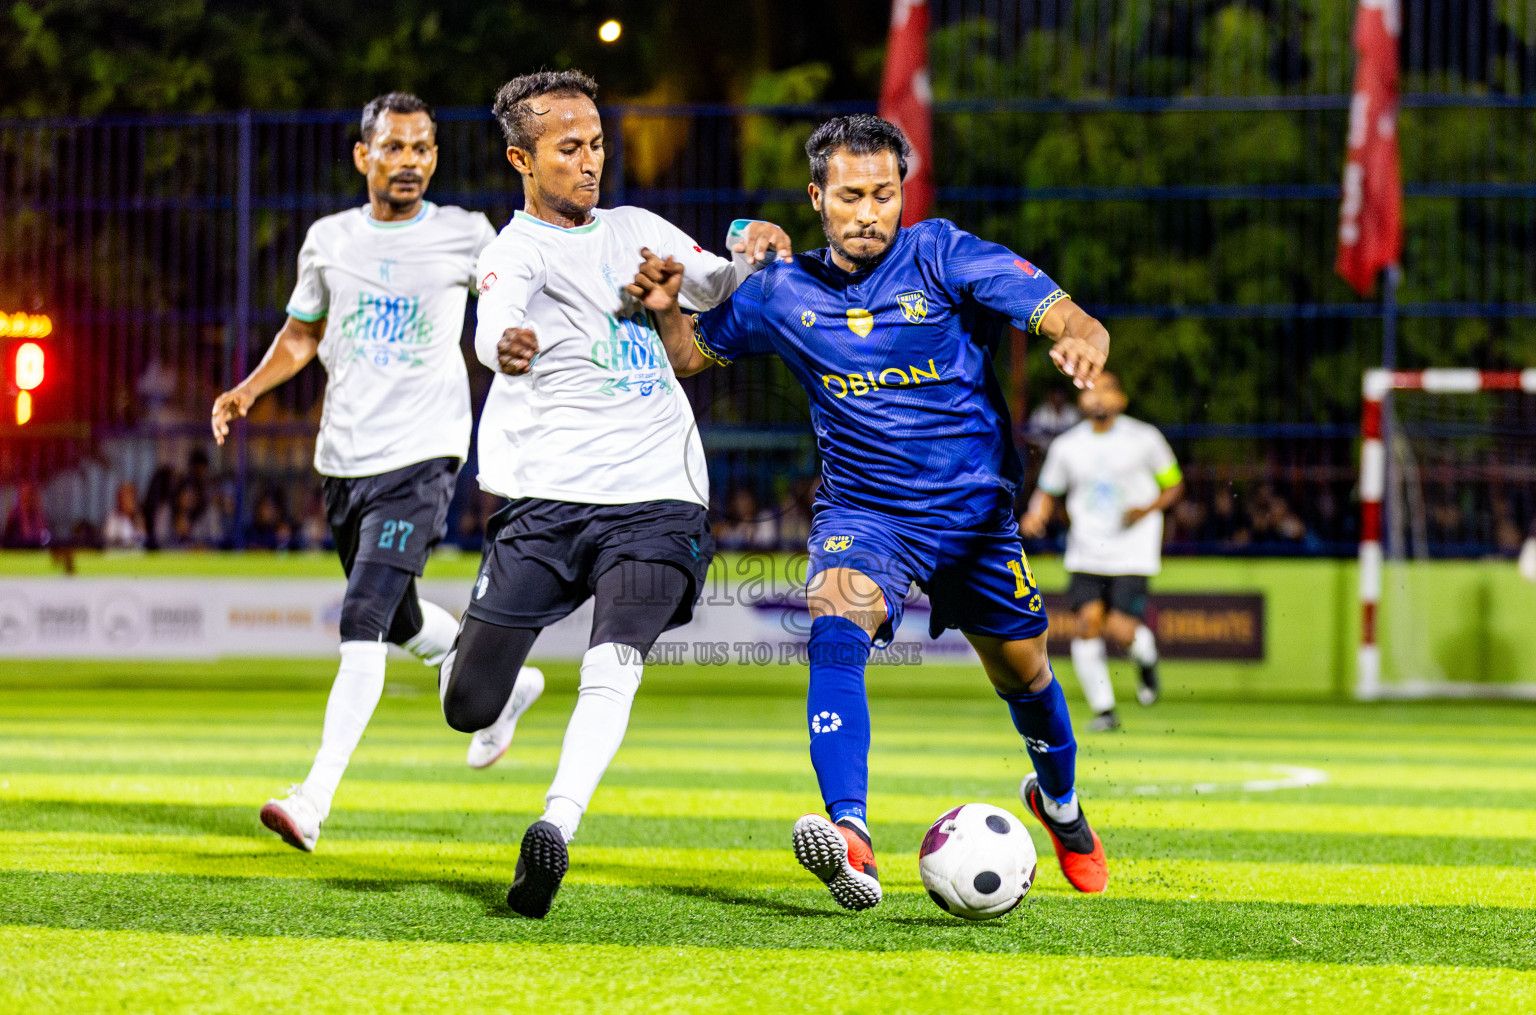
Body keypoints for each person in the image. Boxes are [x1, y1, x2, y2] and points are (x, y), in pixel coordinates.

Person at [631, 114, 1111, 909]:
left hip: (975, 515)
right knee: (834, 617)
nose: (868, 213)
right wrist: (664, 306)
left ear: (901, 195)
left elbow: (1053, 308)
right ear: (818, 198)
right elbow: (690, 355)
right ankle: (850, 834)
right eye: (850, 196)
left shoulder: (942, 254)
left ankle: (1060, 804)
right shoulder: (780, 292)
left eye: (883, 195)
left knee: (1024, 670)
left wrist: (1082, 333)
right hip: (867, 511)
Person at [437, 69, 791, 919]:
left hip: (658, 498)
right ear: (522, 158)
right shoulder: (511, 251)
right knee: (465, 704)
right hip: (546, 502)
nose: (590, 161)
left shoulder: (637, 229)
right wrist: (504, 345)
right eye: (569, 148)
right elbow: (495, 319)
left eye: (596, 143)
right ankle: (510, 695)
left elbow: (721, 282)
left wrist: (757, 248)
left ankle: (555, 826)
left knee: (616, 653)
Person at [211, 91, 541, 853]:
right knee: (395, 617)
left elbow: (516, 298)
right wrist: (249, 389)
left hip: (424, 455)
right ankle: (503, 687)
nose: (410, 162)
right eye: (394, 148)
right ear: (364, 156)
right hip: (343, 460)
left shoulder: (465, 234)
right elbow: (301, 334)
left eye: (423, 148)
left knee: (360, 618)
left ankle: (313, 798)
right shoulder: (329, 240)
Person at [1020, 372, 1184, 731]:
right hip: (1087, 549)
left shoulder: (1144, 438)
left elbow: (1174, 485)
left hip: (1133, 549)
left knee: (1121, 630)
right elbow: (1048, 490)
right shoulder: (1068, 445)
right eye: (1090, 391)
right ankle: (1105, 710)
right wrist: (1036, 514)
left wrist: (1147, 509)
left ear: (1120, 400)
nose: (1097, 398)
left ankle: (1145, 659)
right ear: (1081, 401)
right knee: (1087, 625)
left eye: (1106, 390)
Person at [102, 481, 147, 550]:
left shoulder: (138, 518)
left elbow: (142, 540)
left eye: (131, 496)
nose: (128, 500)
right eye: (125, 496)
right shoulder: (114, 519)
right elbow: (109, 542)